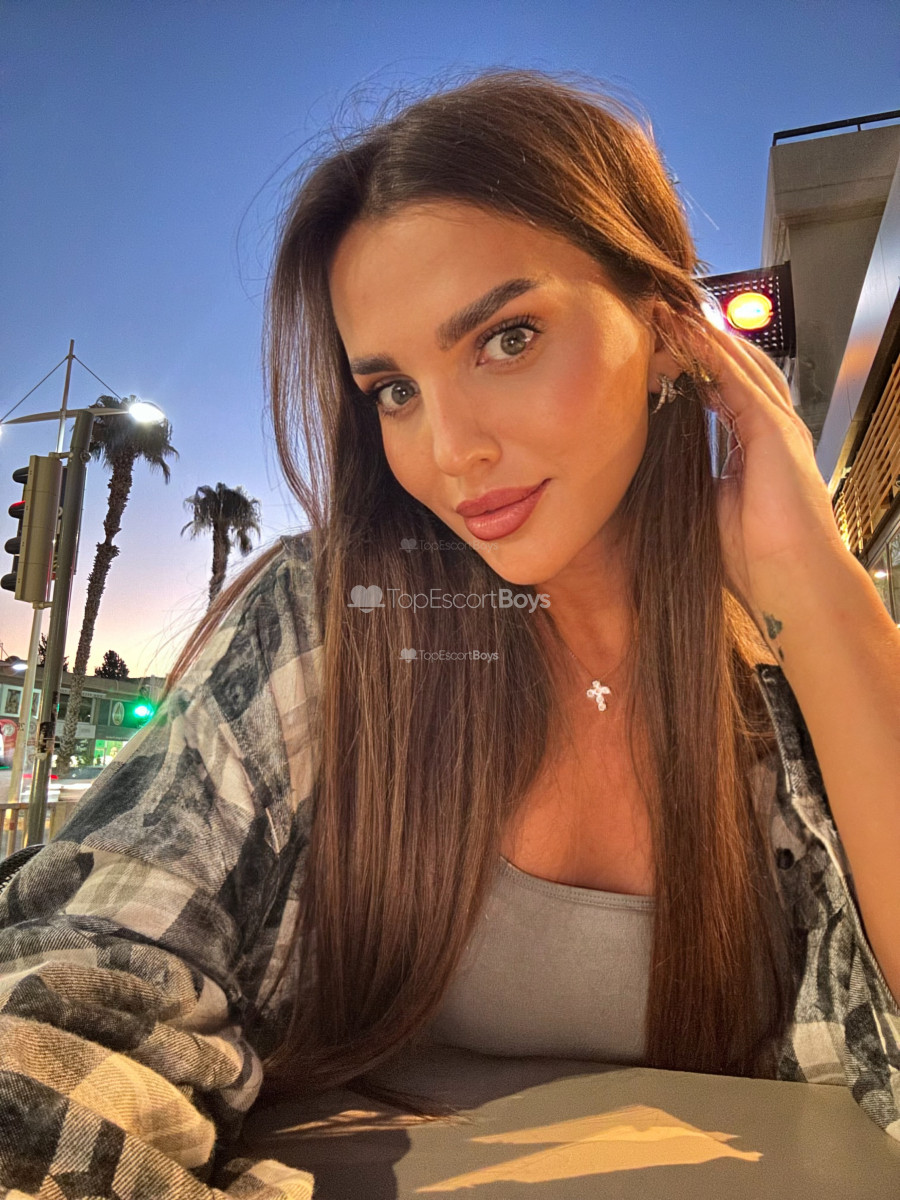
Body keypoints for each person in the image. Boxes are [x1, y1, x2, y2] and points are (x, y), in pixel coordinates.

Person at [1, 68, 899, 1199]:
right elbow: (81, 976)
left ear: (672, 333)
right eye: (394, 390)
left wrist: (817, 589)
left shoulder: (788, 686)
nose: (448, 450)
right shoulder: (332, 631)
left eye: (507, 338)